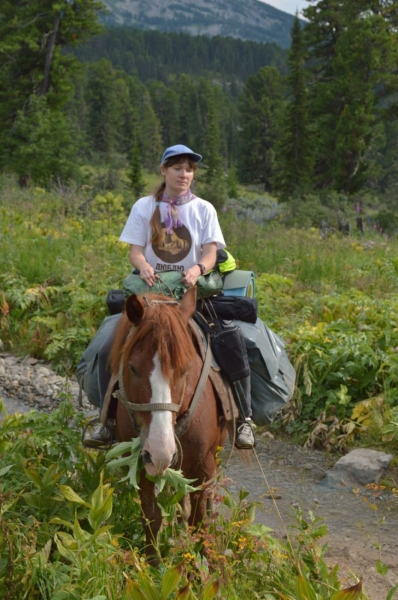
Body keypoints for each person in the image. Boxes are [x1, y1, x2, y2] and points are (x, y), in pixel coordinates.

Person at [84, 144, 255, 449]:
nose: (184, 174)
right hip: (151, 296)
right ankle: (106, 421)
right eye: (177, 168)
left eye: (189, 169)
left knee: (231, 340)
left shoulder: (204, 209)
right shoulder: (143, 207)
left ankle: (244, 420)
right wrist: (145, 267)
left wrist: (198, 269)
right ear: (163, 170)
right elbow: (135, 252)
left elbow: (211, 252)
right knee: (107, 345)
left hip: (191, 295)